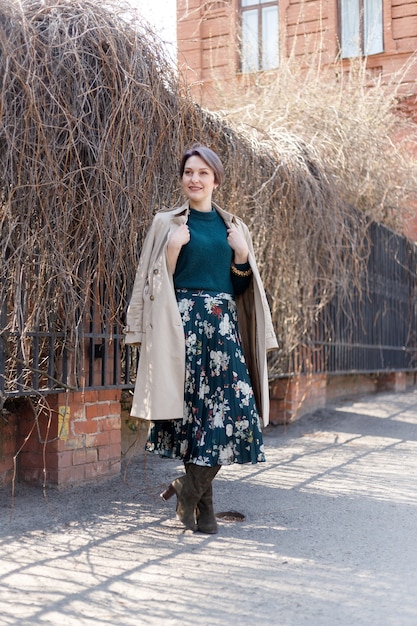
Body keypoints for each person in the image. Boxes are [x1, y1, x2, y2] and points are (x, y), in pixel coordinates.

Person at [124, 144, 278, 534]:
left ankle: (186, 489)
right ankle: (203, 511)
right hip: (183, 329)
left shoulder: (234, 228)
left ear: (216, 180)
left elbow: (243, 290)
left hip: (223, 331)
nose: (194, 179)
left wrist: (242, 258)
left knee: (235, 414)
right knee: (196, 421)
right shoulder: (167, 224)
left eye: (203, 173)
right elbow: (154, 283)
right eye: (189, 172)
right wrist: (173, 251)